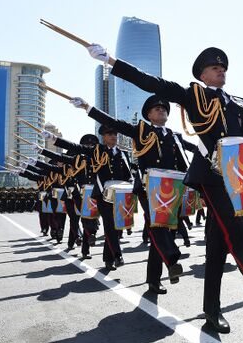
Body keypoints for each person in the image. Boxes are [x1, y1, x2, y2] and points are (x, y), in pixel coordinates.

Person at [84, 44, 243, 332]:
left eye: (223, 67)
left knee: (217, 247)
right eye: (215, 68)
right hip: (212, 177)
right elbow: (151, 82)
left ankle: (211, 310)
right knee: (239, 239)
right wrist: (112, 62)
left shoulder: (238, 104)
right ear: (202, 74)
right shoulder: (193, 96)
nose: (221, 71)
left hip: (236, 180)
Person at [68, 94, 190, 294]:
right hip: (149, 188)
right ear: (149, 115)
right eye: (156, 109)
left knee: (164, 231)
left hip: (172, 189)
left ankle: (154, 279)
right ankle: (172, 259)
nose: (161, 110)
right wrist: (88, 108)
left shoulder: (175, 136)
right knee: (157, 226)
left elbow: (186, 160)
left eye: (163, 108)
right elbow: (114, 123)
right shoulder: (141, 132)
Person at [44, 125, 132, 270]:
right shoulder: (97, 151)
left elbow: (128, 174)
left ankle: (108, 258)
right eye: (110, 134)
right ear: (104, 137)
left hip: (120, 195)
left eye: (115, 134)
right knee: (108, 224)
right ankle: (117, 255)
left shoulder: (123, 154)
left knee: (116, 228)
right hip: (102, 195)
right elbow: (74, 147)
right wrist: (54, 139)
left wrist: (131, 185)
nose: (113, 136)